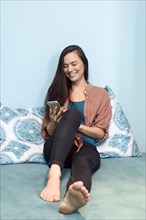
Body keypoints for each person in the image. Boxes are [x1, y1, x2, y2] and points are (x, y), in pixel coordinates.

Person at [40, 45, 112, 214]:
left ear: (84, 64)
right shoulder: (57, 92)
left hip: (85, 148)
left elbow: (100, 132)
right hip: (56, 149)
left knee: (83, 163)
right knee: (71, 114)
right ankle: (54, 174)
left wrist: (75, 126)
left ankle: (72, 198)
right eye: (65, 66)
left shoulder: (100, 94)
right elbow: (49, 133)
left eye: (74, 64)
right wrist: (56, 123)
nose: (69, 69)